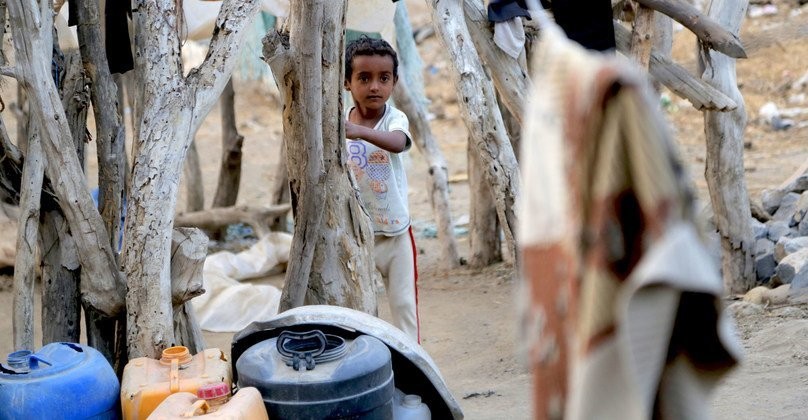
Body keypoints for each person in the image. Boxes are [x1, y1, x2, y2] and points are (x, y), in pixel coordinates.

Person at [343, 36, 420, 342]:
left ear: (394, 82)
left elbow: (399, 143)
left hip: (395, 233)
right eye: (364, 78)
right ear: (347, 82)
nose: (374, 86)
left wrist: (358, 132)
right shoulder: (340, 122)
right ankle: (368, 362)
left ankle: (412, 362)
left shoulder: (394, 119)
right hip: (357, 235)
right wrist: (349, 129)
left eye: (384, 78)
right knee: (359, 308)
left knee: (404, 306)